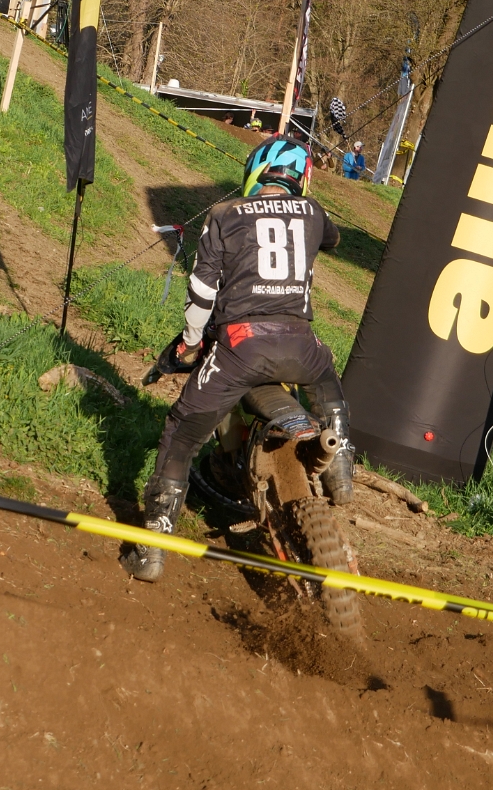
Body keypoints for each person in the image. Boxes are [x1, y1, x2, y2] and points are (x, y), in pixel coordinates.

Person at [122, 135, 355, 583]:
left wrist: (190, 344)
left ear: (254, 172)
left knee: (181, 432)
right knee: (328, 384)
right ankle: (341, 471)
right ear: (302, 179)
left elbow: (201, 293)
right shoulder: (313, 212)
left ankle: (153, 548)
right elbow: (332, 240)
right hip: (301, 344)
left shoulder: (223, 215)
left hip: (240, 347)